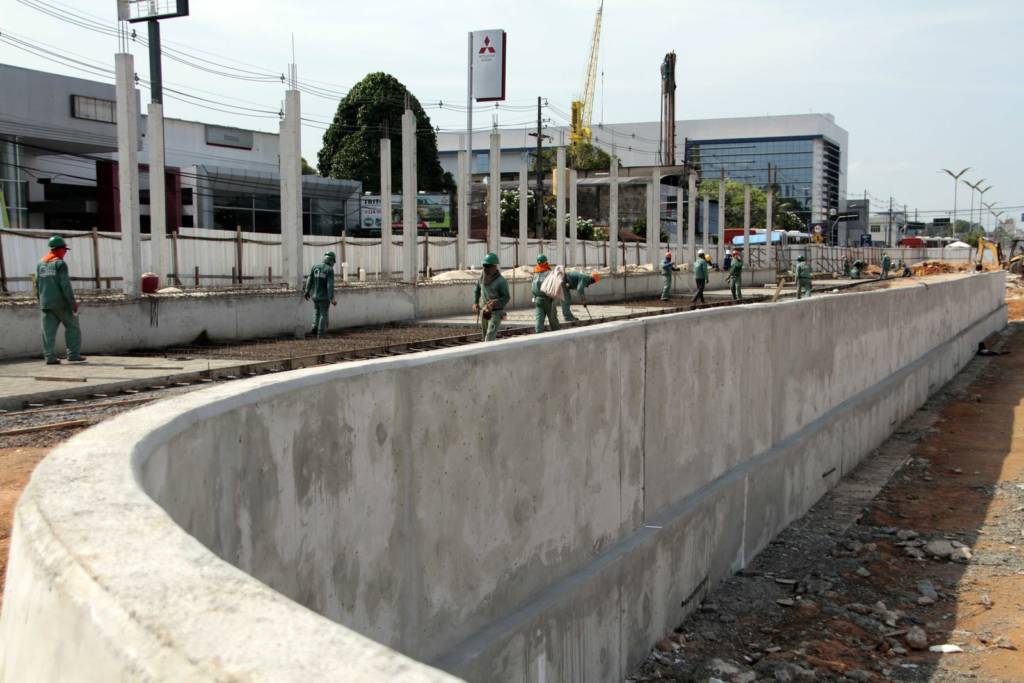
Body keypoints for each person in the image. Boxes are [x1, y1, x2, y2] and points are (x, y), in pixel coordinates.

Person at [35, 235, 85, 365]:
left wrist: (40, 301)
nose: (65, 252)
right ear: (59, 249)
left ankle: (50, 357)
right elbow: (65, 285)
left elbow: (36, 284)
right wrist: (72, 302)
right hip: (61, 304)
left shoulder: (40, 263)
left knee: (47, 332)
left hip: (46, 304)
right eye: (65, 250)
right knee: (73, 327)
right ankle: (73, 355)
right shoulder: (60, 263)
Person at [303, 251, 337, 335]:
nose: (333, 264)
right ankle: (321, 333)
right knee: (323, 314)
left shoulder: (315, 266)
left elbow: (309, 279)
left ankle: (314, 328)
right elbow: (329, 285)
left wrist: (307, 291)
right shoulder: (329, 270)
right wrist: (332, 298)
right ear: (331, 260)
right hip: (324, 297)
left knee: (316, 312)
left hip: (315, 296)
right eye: (333, 261)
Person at [531, 254, 560, 333]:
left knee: (539, 319)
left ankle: (538, 336)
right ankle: (558, 335)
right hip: (548, 300)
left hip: (537, 300)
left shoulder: (535, 273)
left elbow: (532, 287)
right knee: (553, 319)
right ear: (546, 262)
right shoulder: (550, 273)